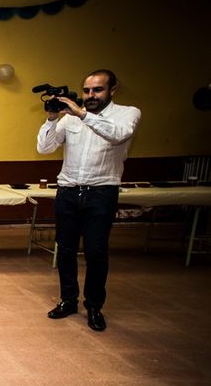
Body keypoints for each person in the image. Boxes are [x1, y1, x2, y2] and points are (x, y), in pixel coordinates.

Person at [37, 69, 141, 332]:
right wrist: (51, 118)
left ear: (112, 90)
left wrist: (83, 114)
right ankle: (68, 300)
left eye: (97, 90)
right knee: (67, 250)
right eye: (87, 91)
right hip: (69, 191)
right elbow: (45, 148)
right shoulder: (69, 119)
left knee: (96, 252)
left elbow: (118, 135)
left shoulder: (127, 114)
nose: (90, 95)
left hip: (101, 192)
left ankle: (94, 306)